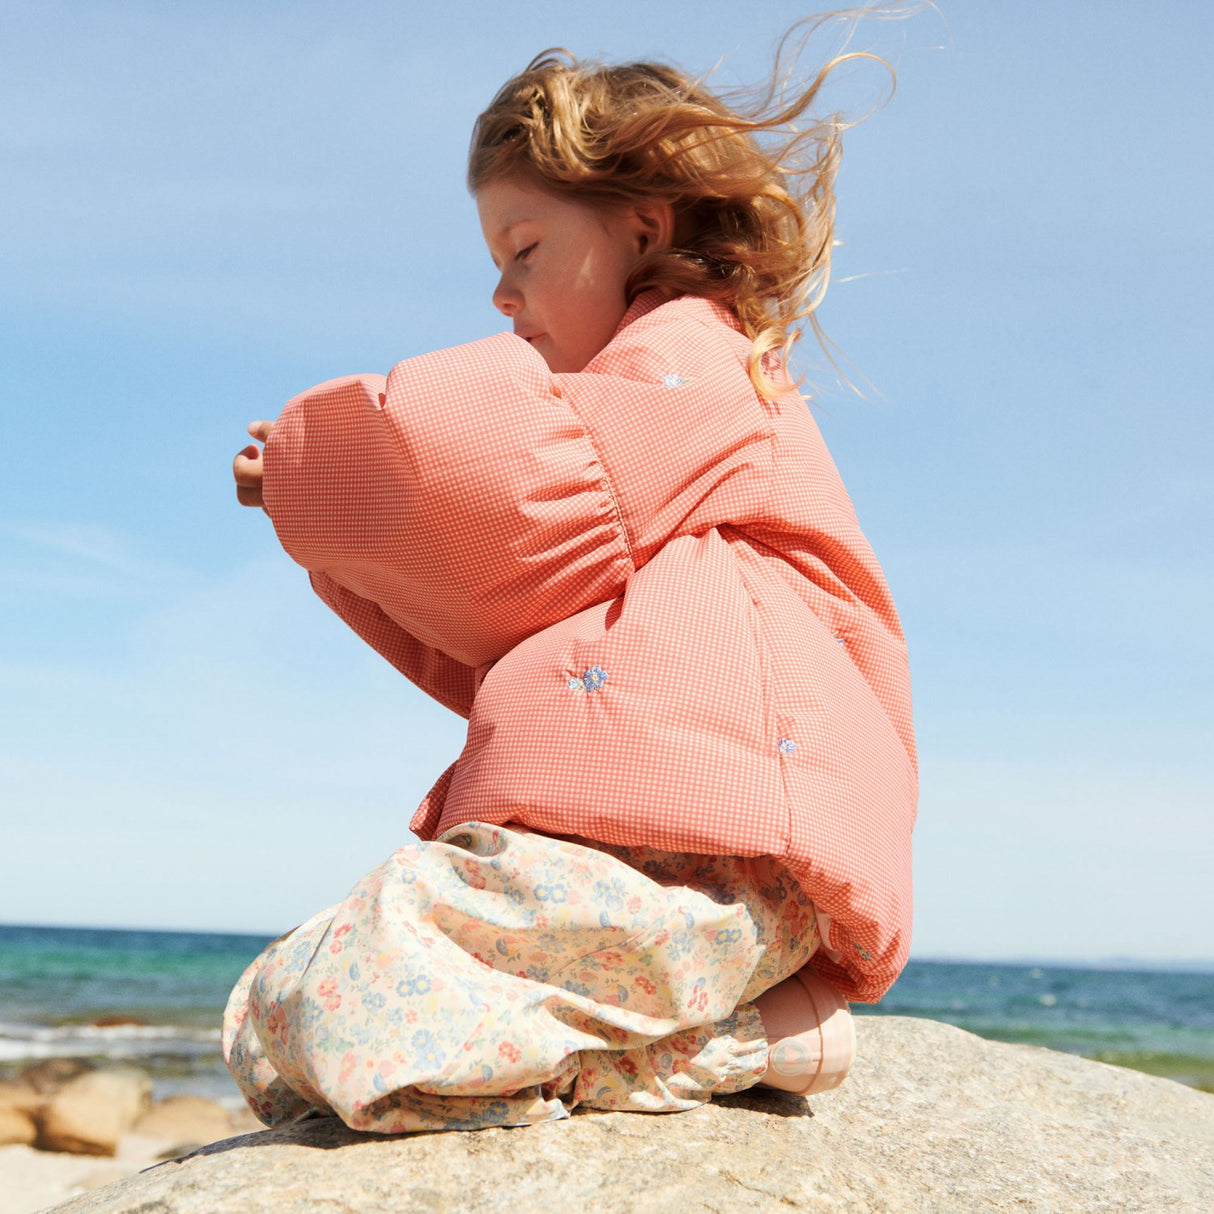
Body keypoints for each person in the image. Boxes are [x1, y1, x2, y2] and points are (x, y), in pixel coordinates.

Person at [225, 28, 917, 1135]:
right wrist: (324, 513)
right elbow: (499, 599)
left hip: (720, 854)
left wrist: (320, 471)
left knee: (342, 1004)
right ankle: (739, 1035)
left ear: (642, 227)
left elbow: (511, 485)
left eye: (525, 248)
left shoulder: (693, 362)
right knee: (280, 1014)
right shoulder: (649, 418)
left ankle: (750, 1043)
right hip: (656, 851)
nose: (501, 292)